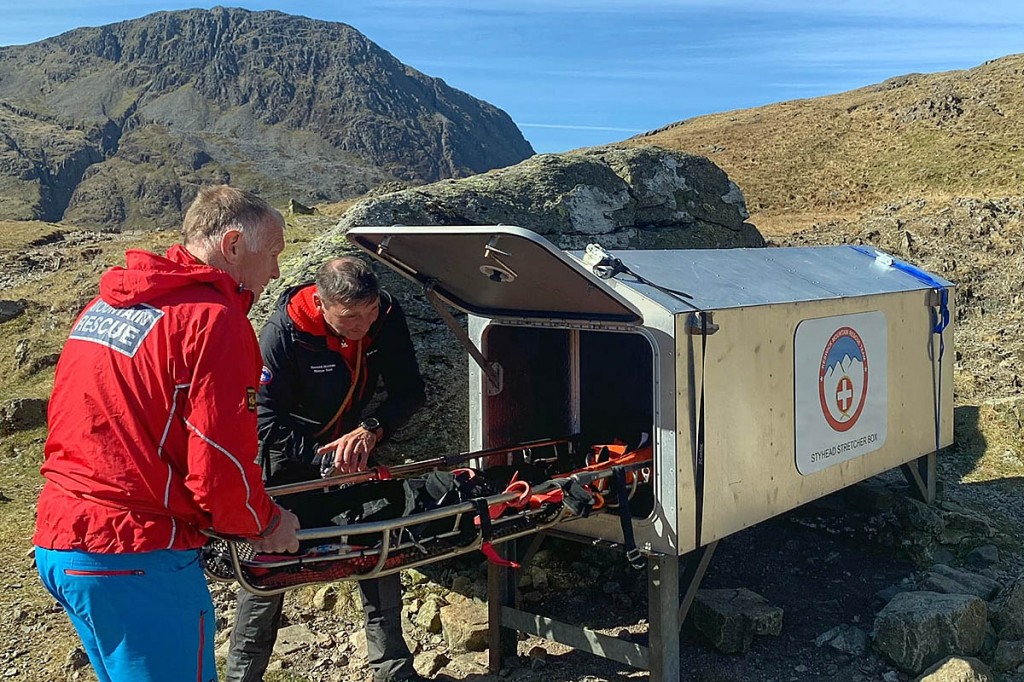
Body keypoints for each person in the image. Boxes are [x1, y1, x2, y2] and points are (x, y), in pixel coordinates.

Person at [33, 185, 302, 682]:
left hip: (63, 539)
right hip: (135, 550)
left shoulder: (107, 306)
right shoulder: (213, 321)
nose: (277, 273)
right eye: (274, 254)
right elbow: (219, 460)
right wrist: (266, 523)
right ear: (234, 244)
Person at [226, 256, 427, 682]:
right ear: (320, 304)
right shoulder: (284, 333)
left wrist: (372, 430)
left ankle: (393, 671)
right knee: (269, 567)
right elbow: (262, 418)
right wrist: (324, 457)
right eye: (351, 318)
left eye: (370, 313)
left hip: (354, 450)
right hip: (290, 460)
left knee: (379, 546)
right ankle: (243, 676)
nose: (363, 327)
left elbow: (410, 389)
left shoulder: (385, 315)